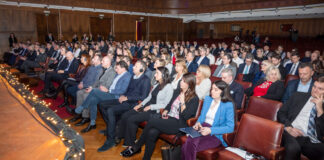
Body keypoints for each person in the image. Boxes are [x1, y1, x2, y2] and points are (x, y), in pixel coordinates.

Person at [121, 73, 199, 160]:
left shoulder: (194, 98)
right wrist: (165, 111)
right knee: (152, 133)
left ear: (190, 84)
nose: (181, 82)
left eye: (184, 81)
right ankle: (146, 158)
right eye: (181, 80)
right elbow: (169, 104)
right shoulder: (177, 91)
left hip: (179, 124)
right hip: (169, 118)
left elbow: (186, 117)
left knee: (152, 120)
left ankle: (136, 146)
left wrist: (183, 102)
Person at [97, 60, 151, 151]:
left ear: (142, 69)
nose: (133, 67)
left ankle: (110, 140)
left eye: (136, 66)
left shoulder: (146, 80)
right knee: (101, 104)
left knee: (110, 110)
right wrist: (123, 96)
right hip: (125, 99)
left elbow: (143, 96)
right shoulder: (133, 77)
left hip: (133, 104)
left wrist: (127, 98)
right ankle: (112, 128)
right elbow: (128, 90)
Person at [115, 67, 173, 152]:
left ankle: (132, 144)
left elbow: (165, 104)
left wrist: (151, 107)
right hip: (146, 107)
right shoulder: (157, 84)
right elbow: (149, 97)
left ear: (163, 75)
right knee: (126, 115)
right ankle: (122, 136)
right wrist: (140, 104)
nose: (155, 75)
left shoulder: (169, 87)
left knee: (132, 119)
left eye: (157, 73)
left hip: (154, 111)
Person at [181, 80, 235, 160]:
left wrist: (210, 130)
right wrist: (198, 123)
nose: (212, 91)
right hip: (202, 128)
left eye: (216, 90)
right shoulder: (208, 99)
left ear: (223, 92)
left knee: (188, 146)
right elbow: (201, 116)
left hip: (215, 133)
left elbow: (230, 127)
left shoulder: (228, 105)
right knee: (190, 145)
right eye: (212, 89)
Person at [74, 61, 132, 133]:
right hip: (110, 93)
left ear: (123, 68)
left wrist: (108, 90)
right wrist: (107, 90)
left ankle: (82, 106)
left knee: (94, 91)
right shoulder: (118, 74)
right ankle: (92, 123)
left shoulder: (127, 76)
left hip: (115, 96)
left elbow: (122, 91)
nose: (116, 70)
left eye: (117, 68)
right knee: (93, 99)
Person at [277, 77, 324, 160]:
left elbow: (321, 132)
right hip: (291, 132)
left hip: (310, 139)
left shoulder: (322, 109)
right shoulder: (298, 96)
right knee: (293, 149)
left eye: (320, 89)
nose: (315, 90)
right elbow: (281, 113)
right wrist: (288, 127)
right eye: (314, 86)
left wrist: (320, 110)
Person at [70, 56, 116, 125]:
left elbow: (106, 87)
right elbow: (96, 82)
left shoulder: (112, 72)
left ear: (108, 62)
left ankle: (85, 117)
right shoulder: (103, 69)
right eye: (102, 60)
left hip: (102, 92)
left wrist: (93, 89)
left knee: (86, 95)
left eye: (103, 61)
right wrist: (91, 87)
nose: (101, 62)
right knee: (79, 92)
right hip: (95, 88)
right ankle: (79, 114)